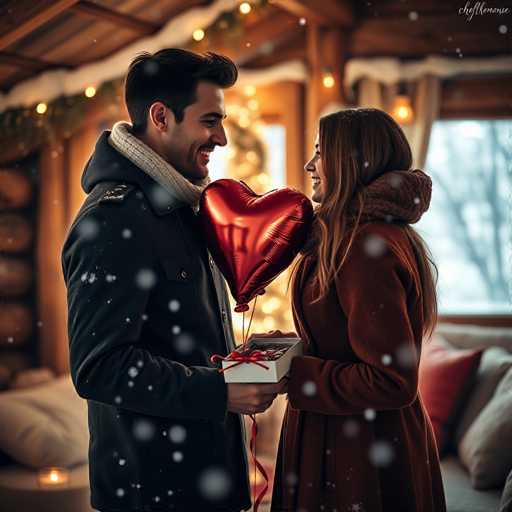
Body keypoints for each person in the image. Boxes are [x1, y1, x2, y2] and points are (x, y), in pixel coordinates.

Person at [62, 48, 285, 512]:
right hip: (154, 492)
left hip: (202, 482)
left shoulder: (180, 206)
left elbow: (177, 335)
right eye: (209, 121)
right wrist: (220, 391)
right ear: (161, 117)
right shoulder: (114, 219)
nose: (221, 138)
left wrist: (247, 357)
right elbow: (99, 367)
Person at [271, 108, 447, 511]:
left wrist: (298, 374)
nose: (309, 165)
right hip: (346, 439)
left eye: (320, 153)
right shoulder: (350, 237)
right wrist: (295, 351)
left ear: (350, 162)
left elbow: (390, 380)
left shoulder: (364, 249)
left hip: (357, 454)